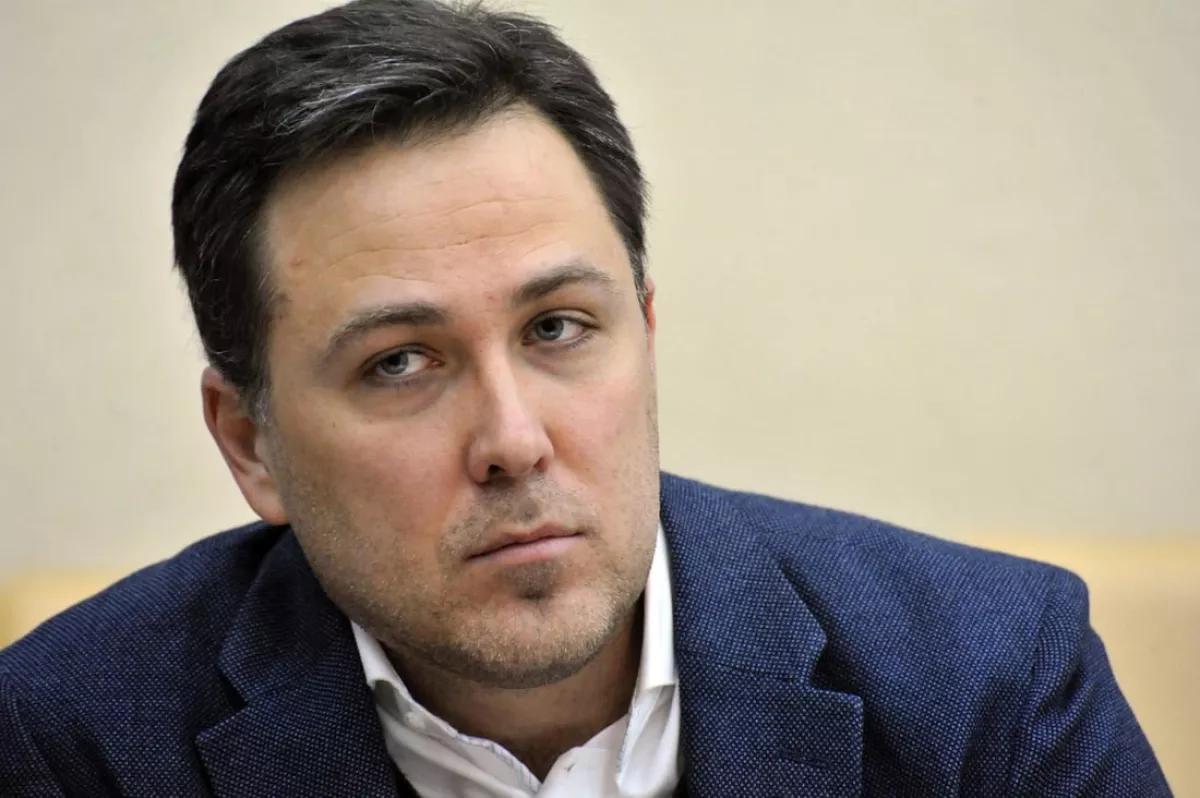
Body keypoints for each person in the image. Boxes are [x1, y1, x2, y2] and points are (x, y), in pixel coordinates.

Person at [0, 1, 1171, 795]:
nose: (514, 442)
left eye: (558, 329)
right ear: (250, 443)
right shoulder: (70, 742)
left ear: (646, 337)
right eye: (400, 362)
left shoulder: (989, 685)